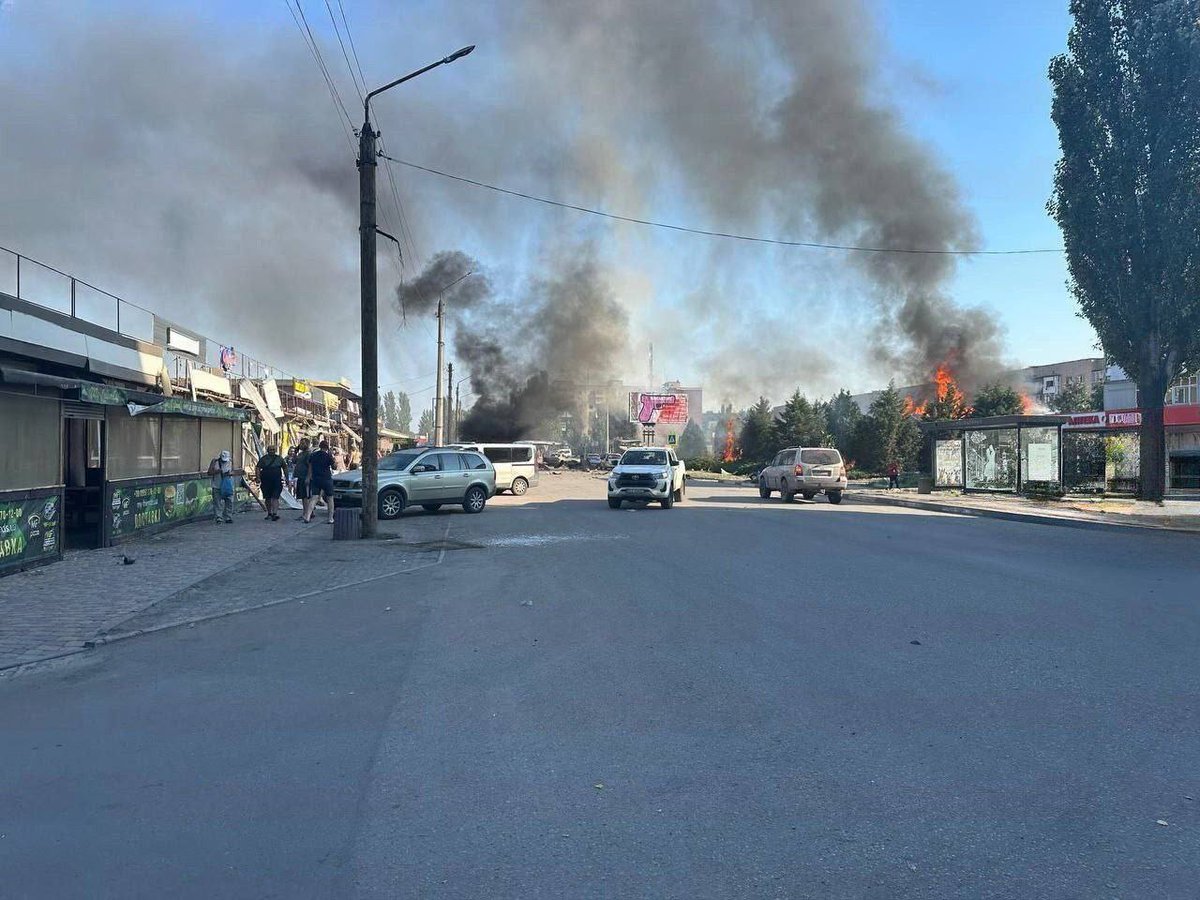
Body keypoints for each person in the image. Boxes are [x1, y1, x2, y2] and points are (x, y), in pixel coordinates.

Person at [304, 439, 337, 524]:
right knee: (330, 498)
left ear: (320, 446)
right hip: (326, 478)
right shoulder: (328, 456)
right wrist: (332, 457)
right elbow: (334, 467)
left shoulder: (313, 455)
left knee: (314, 497)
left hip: (315, 478)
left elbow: (310, 467)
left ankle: (307, 516)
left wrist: (309, 477)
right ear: (327, 447)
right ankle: (330, 518)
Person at [256, 445, 287, 521]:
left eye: (273, 449)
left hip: (277, 480)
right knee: (267, 497)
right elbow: (258, 467)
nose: (272, 451)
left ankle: (275, 513)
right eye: (270, 449)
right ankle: (269, 513)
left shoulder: (279, 458)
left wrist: (287, 478)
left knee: (275, 497)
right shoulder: (264, 459)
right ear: (267, 450)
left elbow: (285, 467)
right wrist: (258, 477)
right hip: (266, 480)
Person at [207, 449, 235, 523]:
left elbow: (233, 471)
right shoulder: (214, 461)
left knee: (229, 501)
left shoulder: (230, 462)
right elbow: (209, 472)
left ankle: (228, 517)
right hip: (217, 485)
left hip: (228, 485)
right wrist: (217, 471)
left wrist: (230, 473)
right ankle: (219, 517)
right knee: (217, 502)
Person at [291, 438, 311, 520]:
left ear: (307, 444)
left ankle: (306, 513)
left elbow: (310, 466)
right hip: (300, 477)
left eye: (303, 443)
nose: (301, 445)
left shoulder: (308, 454)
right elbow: (294, 461)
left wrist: (308, 477)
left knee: (305, 496)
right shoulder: (301, 454)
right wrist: (295, 452)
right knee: (303, 496)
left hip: (304, 476)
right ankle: (305, 512)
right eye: (300, 443)